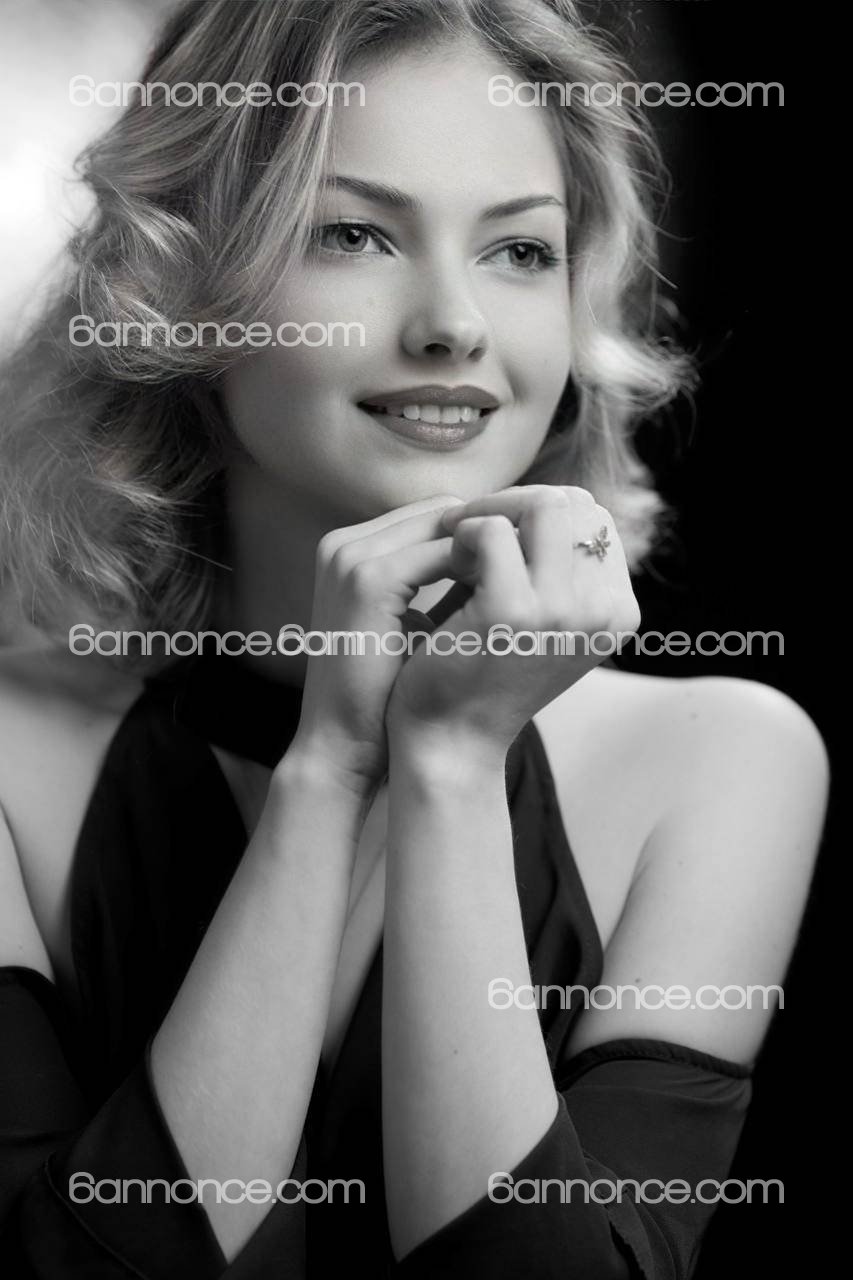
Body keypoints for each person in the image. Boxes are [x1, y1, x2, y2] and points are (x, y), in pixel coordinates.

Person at [0, 1, 828, 1276]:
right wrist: (327, 768)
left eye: (521, 250)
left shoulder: (723, 756)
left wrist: (448, 756)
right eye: (354, 234)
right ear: (179, 280)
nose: (454, 324)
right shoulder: (13, 756)